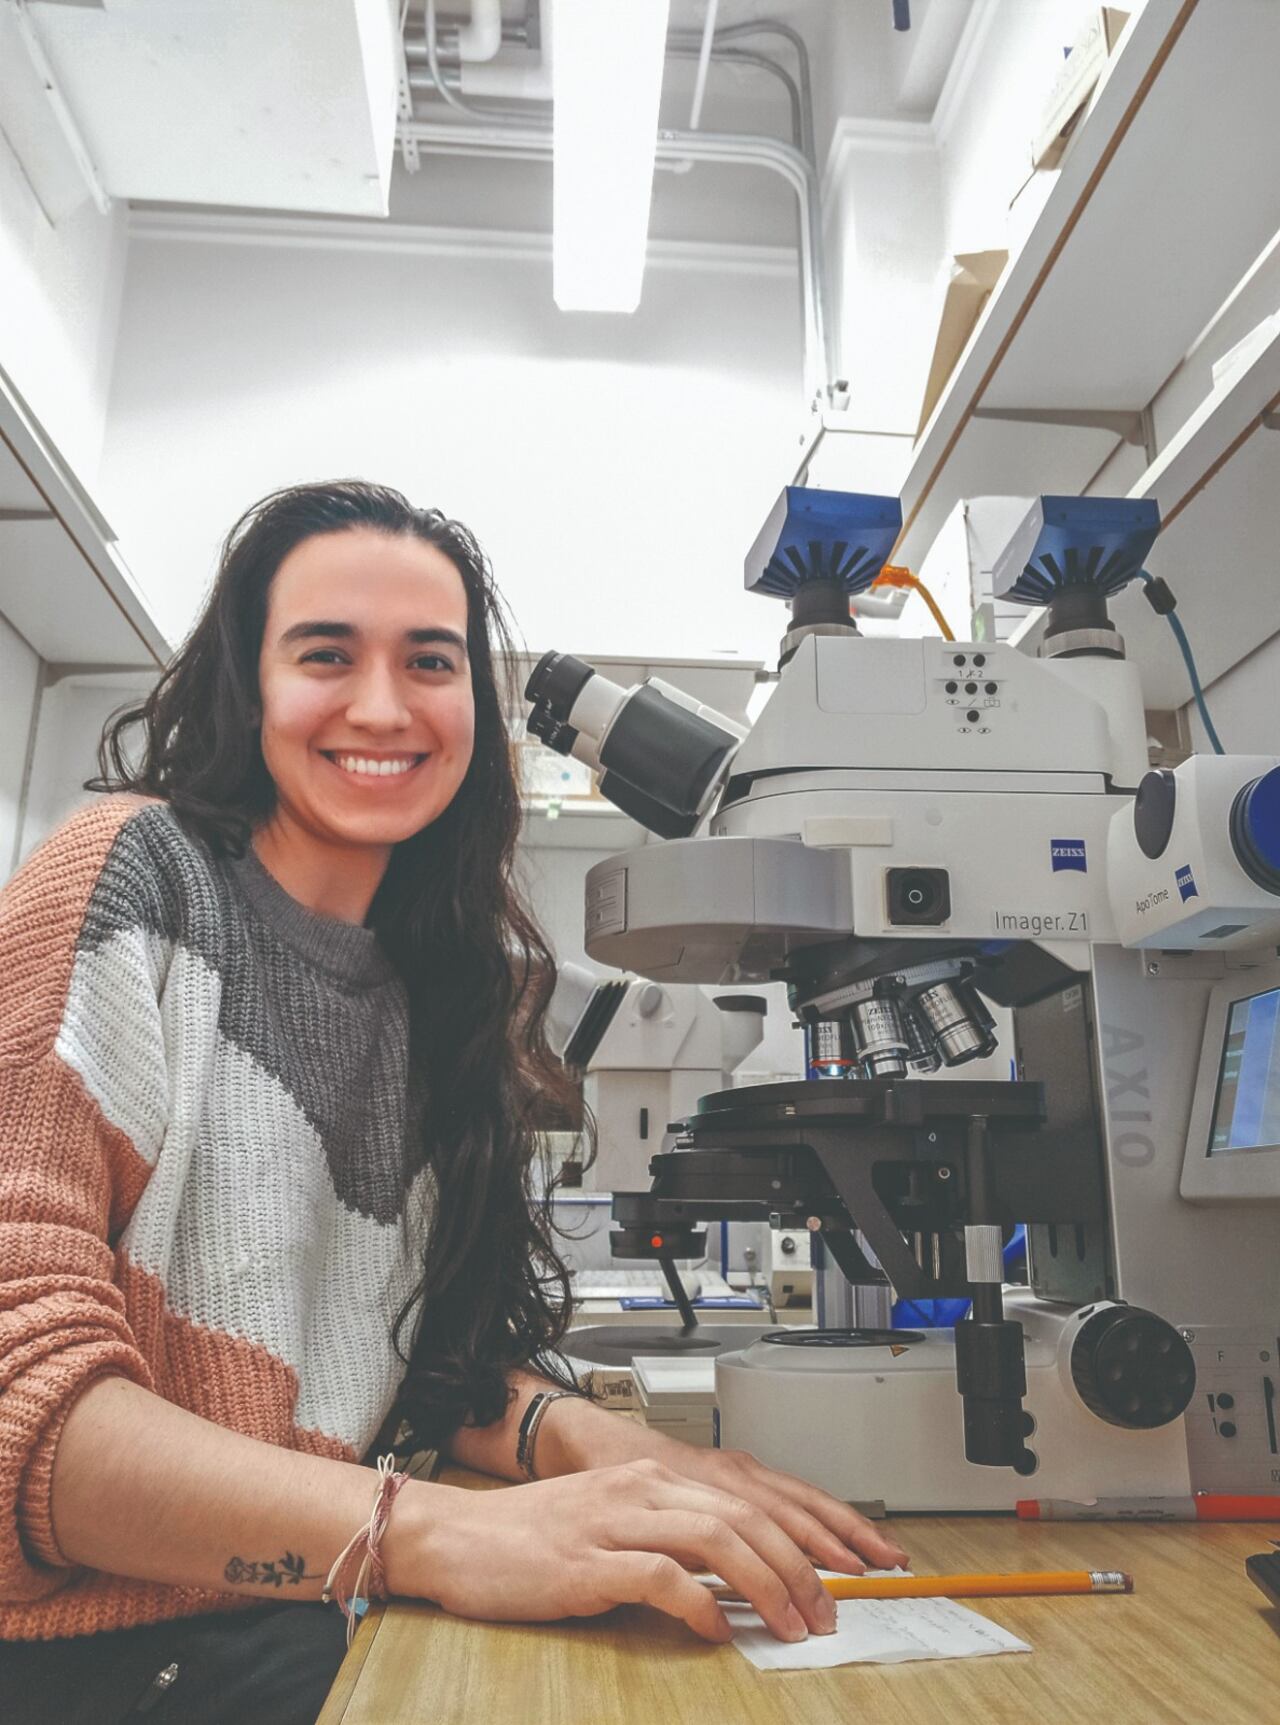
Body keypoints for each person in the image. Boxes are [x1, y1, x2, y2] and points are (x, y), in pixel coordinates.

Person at [0, 481, 908, 1723]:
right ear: (245, 685)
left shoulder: (435, 989)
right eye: (325, 654)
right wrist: (425, 1533)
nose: (383, 705)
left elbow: (415, 1370)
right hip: (91, 1655)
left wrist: (585, 1440)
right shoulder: (132, 875)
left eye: (430, 662)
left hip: (300, 1607)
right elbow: (19, 1413)